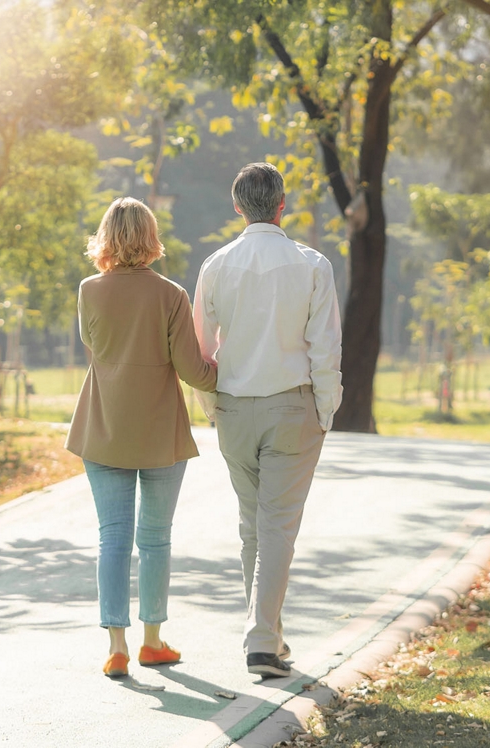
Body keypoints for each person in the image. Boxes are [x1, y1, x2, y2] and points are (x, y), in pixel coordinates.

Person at [192, 162, 342, 678]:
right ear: (283, 205)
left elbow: (200, 348)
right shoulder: (312, 265)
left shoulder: (215, 265)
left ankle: (270, 637)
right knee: (276, 526)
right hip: (291, 405)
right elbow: (325, 347)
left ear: (238, 207)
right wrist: (326, 408)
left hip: (234, 407)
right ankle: (261, 641)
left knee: (253, 525)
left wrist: (213, 406)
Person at [65, 197, 218, 679]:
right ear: (151, 236)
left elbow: (95, 350)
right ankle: (153, 642)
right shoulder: (172, 295)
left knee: (112, 539)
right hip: (159, 432)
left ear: (106, 236)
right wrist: (234, 368)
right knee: (155, 539)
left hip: (103, 424)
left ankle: (116, 647)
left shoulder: (89, 290)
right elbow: (193, 371)